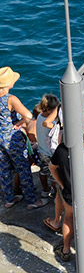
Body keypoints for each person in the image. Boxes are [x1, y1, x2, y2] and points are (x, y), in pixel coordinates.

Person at [50, 120, 84, 262]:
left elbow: (52, 167)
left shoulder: (61, 149)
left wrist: (61, 183)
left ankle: (66, 250)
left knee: (68, 218)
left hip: (68, 194)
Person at [0, 66, 44, 209]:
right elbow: (28, 115)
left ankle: (9, 199)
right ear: (8, 84)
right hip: (12, 139)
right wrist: (19, 123)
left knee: (4, 169)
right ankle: (32, 201)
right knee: (23, 168)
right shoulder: (10, 99)